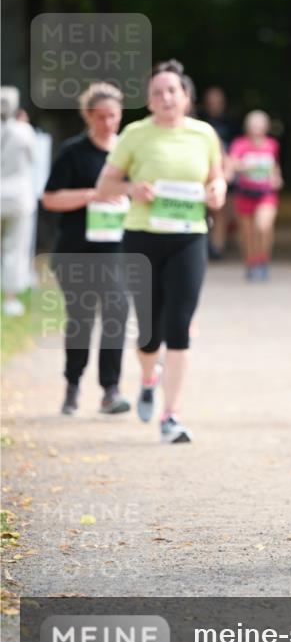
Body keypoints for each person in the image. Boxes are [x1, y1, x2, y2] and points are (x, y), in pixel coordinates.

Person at [96, 59, 226, 443]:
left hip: (189, 238)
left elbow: (215, 178)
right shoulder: (135, 134)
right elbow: (106, 185)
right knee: (150, 332)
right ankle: (149, 377)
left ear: (186, 97)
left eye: (173, 91)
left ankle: (171, 416)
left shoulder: (204, 135)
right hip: (142, 239)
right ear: (149, 101)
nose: (166, 97)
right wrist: (132, 189)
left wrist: (217, 190)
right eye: (157, 92)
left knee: (179, 326)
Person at [42, 83, 131, 415]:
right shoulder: (73, 151)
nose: (108, 123)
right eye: (101, 117)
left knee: (116, 312)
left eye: (113, 116)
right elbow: (50, 198)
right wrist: (92, 195)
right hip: (75, 250)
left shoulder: (127, 152)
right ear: (88, 117)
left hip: (117, 250)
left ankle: (111, 389)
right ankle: (73, 383)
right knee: (80, 319)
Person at [227, 110, 282, 280]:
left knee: (263, 227)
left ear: (266, 126)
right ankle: (251, 263)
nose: (256, 127)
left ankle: (263, 260)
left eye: (260, 124)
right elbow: (231, 163)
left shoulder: (272, 144)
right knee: (247, 233)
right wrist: (244, 166)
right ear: (247, 126)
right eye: (253, 124)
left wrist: (277, 178)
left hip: (266, 194)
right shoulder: (240, 144)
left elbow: (274, 167)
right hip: (245, 193)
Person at [1, 86, 36, 317]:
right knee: (15, 247)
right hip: (18, 197)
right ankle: (10, 298)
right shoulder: (24, 131)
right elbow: (34, 158)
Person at [198, 86, 239, 259]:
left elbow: (237, 150)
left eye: (218, 102)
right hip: (201, 171)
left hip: (224, 170)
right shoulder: (199, 121)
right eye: (211, 102)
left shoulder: (231, 123)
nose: (214, 105)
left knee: (222, 211)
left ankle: (218, 248)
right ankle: (206, 246)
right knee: (205, 211)